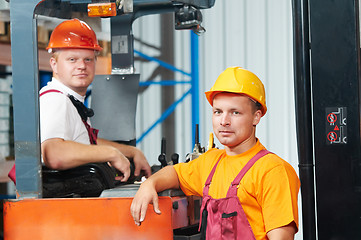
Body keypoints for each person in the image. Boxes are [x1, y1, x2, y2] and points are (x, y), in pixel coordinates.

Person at [130, 67, 300, 239]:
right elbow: (175, 173)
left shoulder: (273, 170)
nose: (224, 121)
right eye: (218, 112)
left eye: (235, 112)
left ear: (256, 117)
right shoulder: (211, 163)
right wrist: (149, 184)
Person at [40, 18, 151, 182]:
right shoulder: (55, 99)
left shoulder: (70, 100)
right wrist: (110, 153)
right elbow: (54, 154)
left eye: (88, 59)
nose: (82, 66)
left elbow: (85, 140)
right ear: (54, 64)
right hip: (64, 201)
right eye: (72, 59)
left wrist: (131, 151)